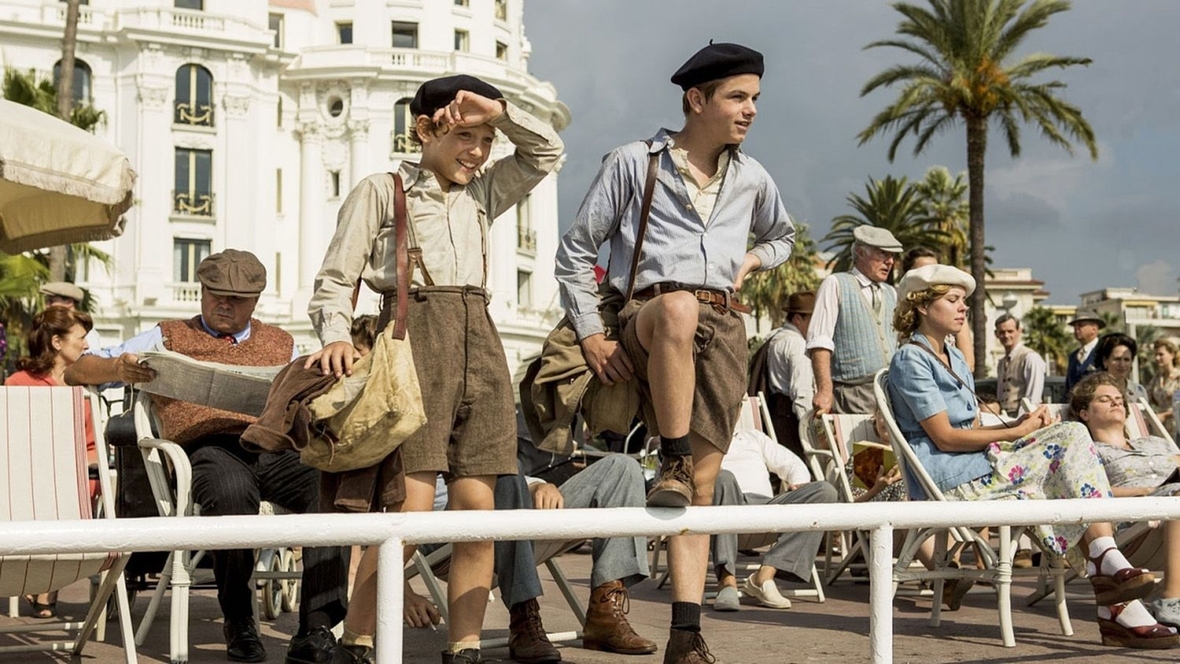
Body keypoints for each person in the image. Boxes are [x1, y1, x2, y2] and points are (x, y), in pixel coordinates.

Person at [307, 73, 563, 664]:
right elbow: (335, 278)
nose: (478, 151)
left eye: (486, 140)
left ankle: (465, 648)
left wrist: (497, 111)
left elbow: (546, 151)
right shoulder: (383, 188)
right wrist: (336, 337)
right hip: (412, 341)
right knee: (410, 510)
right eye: (466, 137)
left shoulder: (484, 192)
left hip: (482, 342)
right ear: (425, 129)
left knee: (480, 511)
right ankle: (361, 642)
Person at [553, 41, 795, 663]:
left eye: (756, 99)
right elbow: (576, 252)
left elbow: (785, 236)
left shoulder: (754, 177)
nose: (751, 111)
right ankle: (674, 455)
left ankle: (686, 634)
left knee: (706, 489)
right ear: (697, 99)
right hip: (651, 314)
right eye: (738, 97)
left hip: (725, 326)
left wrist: (754, 257)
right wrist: (590, 334)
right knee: (681, 309)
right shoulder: (636, 162)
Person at [66, 249, 349, 664]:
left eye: (237, 299)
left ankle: (317, 629)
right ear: (201, 290)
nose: (224, 304)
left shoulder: (282, 343)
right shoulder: (167, 335)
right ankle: (239, 618)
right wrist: (119, 370)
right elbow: (76, 369)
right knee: (230, 491)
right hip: (206, 448)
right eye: (216, 294)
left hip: (270, 446)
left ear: (256, 301)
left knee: (328, 483)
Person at [886, 263, 1176, 649]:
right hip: (946, 478)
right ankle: (1112, 580)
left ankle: (1114, 592)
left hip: (979, 467)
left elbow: (972, 430)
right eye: (953, 300)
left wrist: (1018, 425)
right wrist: (1018, 432)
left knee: (1066, 462)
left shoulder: (954, 358)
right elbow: (944, 438)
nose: (962, 309)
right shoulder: (911, 359)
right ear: (922, 306)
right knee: (1070, 436)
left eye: (964, 302)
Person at [407, 455, 658, 662]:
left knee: (622, 467)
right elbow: (375, 526)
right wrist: (403, 593)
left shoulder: (474, 412)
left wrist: (538, 485)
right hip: (450, 538)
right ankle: (523, 617)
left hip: (510, 505)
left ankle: (605, 615)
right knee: (503, 468)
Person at [5, 307, 97, 619]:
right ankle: (41, 581)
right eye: (81, 338)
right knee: (41, 490)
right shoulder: (18, 384)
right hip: (28, 481)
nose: (86, 345)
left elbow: (91, 445)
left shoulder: (83, 387)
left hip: (75, 483)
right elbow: (9, 444)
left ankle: (47, 583)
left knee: (87, 483)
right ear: (57, 342)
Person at [1073, 372, 1180, 634]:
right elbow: (1089, 491)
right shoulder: (1087, 452)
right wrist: (1148, 490)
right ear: (1085, 413)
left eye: (1119, 399)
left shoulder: (1155, 442)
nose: (1116, 402)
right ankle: (1170, 598)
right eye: (1105, 399)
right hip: (1137, 528)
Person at [709, 424, 836, 612]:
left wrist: (798, 482)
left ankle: (764, 575)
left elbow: (792, 463)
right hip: (723, 508)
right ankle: (727, 582)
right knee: (723, 477)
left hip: (766, 510)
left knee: (825, 492)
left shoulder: (753, 437)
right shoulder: (700, 438)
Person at [807, 225, 902, 415]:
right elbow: (820, 341)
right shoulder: (836, 284)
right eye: (882, 253)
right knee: (860, 444)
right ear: (860, 252)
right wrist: (825, 390)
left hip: (891, 392)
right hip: (852, 393)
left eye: (892, 256)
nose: (890, 261)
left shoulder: (891, 292)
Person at [760, 291, 815, 459]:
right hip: (791, 420)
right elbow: (802, 394)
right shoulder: (797, 344)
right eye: (812, 319)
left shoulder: (774, 337)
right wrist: (810, 434)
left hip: (776, 415)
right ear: (798, 318)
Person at [900, 247, 974, 372]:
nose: (934, 274)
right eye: (952, 300)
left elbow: (968, 362)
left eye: (936, 268)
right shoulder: (909, 355)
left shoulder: (956, 317)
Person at [993, 313, 1047, 417]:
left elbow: (1033, 396)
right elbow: (1000, 393)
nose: (1006, 336)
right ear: (996, 334)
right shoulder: (1001, 363)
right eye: (1002, 332)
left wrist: (1024, 418)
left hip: (1024, 416)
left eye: (1010, 331)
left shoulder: (1030, 357)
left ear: (1019, 331)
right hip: (1005, 417)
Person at [41, 280, 101, 349]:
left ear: (69, 303)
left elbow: (90, 357)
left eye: (51, 301)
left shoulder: (86, 332)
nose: (47, 306)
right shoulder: (51, 327)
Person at [1093, 332, 1149, 404]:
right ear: (1105, 361)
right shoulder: (1093, 390)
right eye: (1117, 359)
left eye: (1126, 360)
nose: (1122, 364)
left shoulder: (1139, 391)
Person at [1065, 310, 1106, 394]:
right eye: (1075, 327)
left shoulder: (1103, 351)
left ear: (1094, 329)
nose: (1076, 329)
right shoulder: (1073, 356)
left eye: (1080, 325)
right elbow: (1068, 387)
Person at [1147, 338, 1180, 433]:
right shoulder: (1156, 379)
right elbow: (1147, 398)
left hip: (1176, 425)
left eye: (1161, 354)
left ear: (1172, 355)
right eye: (1156, 354)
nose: (1157, 358)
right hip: (1160, 427)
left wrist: (1165, 415)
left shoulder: (1178, 377)